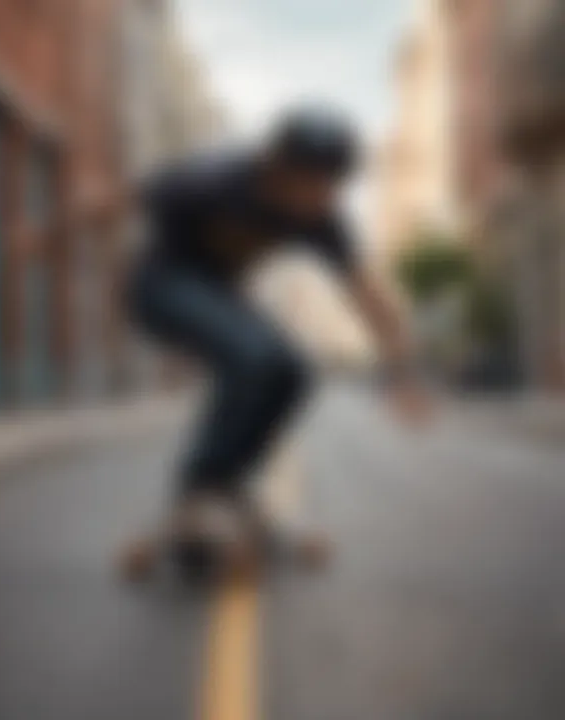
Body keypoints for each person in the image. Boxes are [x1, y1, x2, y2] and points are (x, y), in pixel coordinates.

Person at [123, 107, 431, 577]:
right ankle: (203, 485)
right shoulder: (212, 181)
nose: (318, 199)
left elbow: (371, 297)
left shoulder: (322, 219)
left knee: (294, 370)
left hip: (222, 301)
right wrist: (44, 240)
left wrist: (403, 373)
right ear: (276, 168)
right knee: (255, 354)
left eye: (331, 187)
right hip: (159, 286)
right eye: (309, 183)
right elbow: (110, 202)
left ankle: (225, 484)